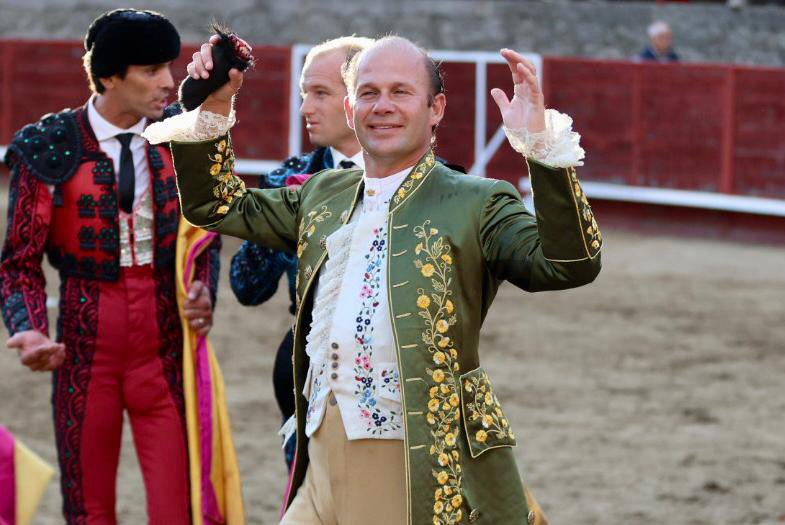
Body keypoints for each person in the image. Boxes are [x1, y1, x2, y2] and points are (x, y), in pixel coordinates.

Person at [157, 34, 601, 524]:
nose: (382, 106)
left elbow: (569, 265)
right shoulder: (321, 193)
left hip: (411, 460)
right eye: (368, 93)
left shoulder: (478, 201)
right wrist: (213, 104)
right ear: (351, 109)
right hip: (319, 459)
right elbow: (215, 204)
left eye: (400, 92)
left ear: (436, 108)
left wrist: (540, 148)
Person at [0, 9, 221, 524]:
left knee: (178, 508)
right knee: (88, 508)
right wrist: (28, 329)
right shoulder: (48, 145)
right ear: (109, 76)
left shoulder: (180, 140)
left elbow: (201, 245)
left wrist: (204, 290)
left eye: (168, 65)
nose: (169, 81)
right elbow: (19, 264)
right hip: (82, 352)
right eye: (150, 70)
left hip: (164, 352)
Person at [229, 36, 372, 468]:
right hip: (306, 371)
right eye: (304, 94)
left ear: (361, 98)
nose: (306, 108)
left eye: (320, 93)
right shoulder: (292, 179)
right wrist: (281, 224)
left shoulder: (429, 182)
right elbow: (247, 287)